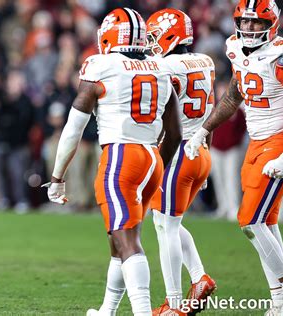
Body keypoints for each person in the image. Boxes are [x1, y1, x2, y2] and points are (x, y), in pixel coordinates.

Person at [43, 8, 182, 316]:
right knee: (120, 239)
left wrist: (56, 177)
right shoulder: (160, 67)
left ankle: (143, 312)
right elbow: (175, 132)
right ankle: (107, 309)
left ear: (107, 36)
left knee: (127, 239)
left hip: (121, 156)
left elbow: (73, 129)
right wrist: (159, 164)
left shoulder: (100, 65)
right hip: (151, 157)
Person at [184, 1, 283, 315]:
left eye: (257, 23)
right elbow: (234, 95)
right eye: (245, 21)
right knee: (266, 221)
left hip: (278, 139)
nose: (250, 28)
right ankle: (279, 302)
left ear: (272, 23)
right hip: (256, 141)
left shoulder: (280, 55)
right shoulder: (234, 48)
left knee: (250, 221)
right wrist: (204, 129)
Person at [146, 8, 217, 315]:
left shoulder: (163, 66)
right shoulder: (205, 60)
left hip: (178, 150)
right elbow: (210, 109)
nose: (151, 42)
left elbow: (159, 116)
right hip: (200, 149)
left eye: (154, 36)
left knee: (167, 227)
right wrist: (207, 150)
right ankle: (199, 277)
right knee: (165, 222)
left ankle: (173, 303)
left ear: (170, 34)